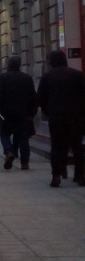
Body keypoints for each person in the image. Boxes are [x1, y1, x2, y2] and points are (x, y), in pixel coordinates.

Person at [37, 49, 85, 187]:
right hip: (76, 117)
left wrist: (48, 112)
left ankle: (56, 175)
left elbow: (40, 98)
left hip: (56, 117)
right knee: (77, 147)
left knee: (57, 147)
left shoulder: (47, 77)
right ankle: (80, 175)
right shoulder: (78, 75)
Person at [0, 56, 38, 171]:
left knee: (4, 133)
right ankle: (25, 162)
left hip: (5, 113)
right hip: (22, 113)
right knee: (23, 137)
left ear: (8, 65)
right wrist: (32, 113)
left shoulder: (2, 77)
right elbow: (33, 96)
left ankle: (9, 151)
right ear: (19, 65)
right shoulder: (27, 78)